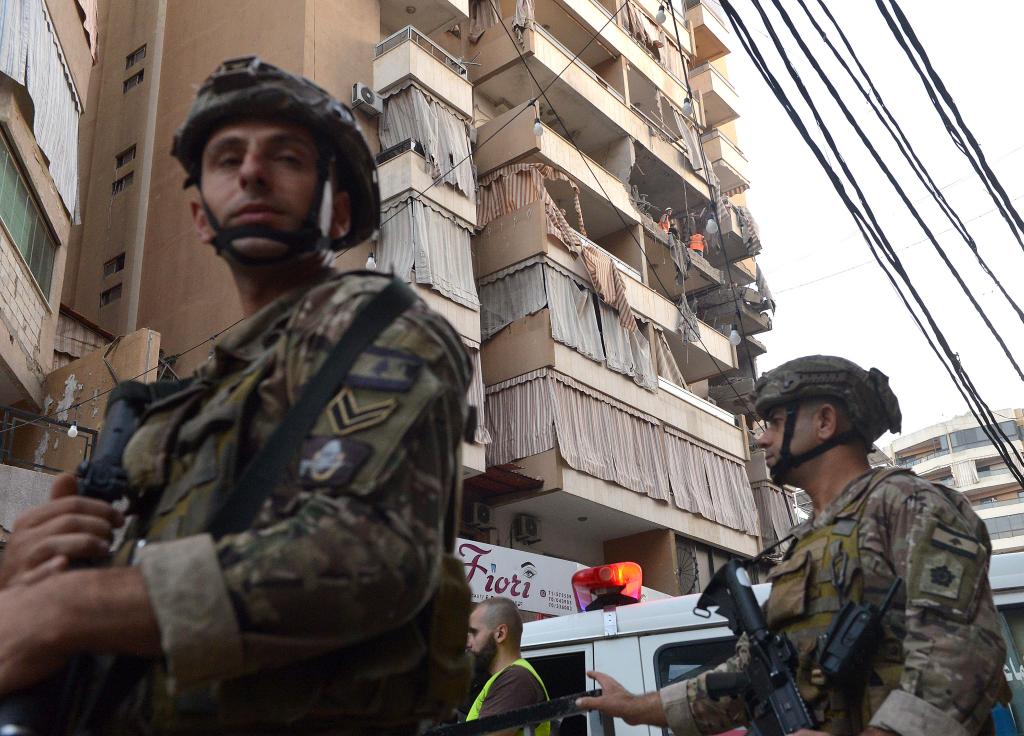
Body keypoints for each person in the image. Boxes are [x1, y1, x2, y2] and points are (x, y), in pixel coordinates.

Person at [0, 56, 473, 733]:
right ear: (201, 215)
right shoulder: (199, 397)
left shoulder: (377, 331)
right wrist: (30, 574)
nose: (251, 173)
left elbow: (368, 552)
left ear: (338, 210)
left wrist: (67, 608)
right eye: (227, 159)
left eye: (287, 157)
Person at [578, 355, 1008, 736]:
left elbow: (961, 655)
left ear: (825, 422)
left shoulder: (908, 506)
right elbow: (748, 677)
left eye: (776, 423)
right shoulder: (806, 544)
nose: (762, 439)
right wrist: (634, 707)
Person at [466, 596, 550, 736]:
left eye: (474, 633)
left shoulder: (516, 679)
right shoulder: (508, 678)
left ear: (500, 634)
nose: (468, 643)